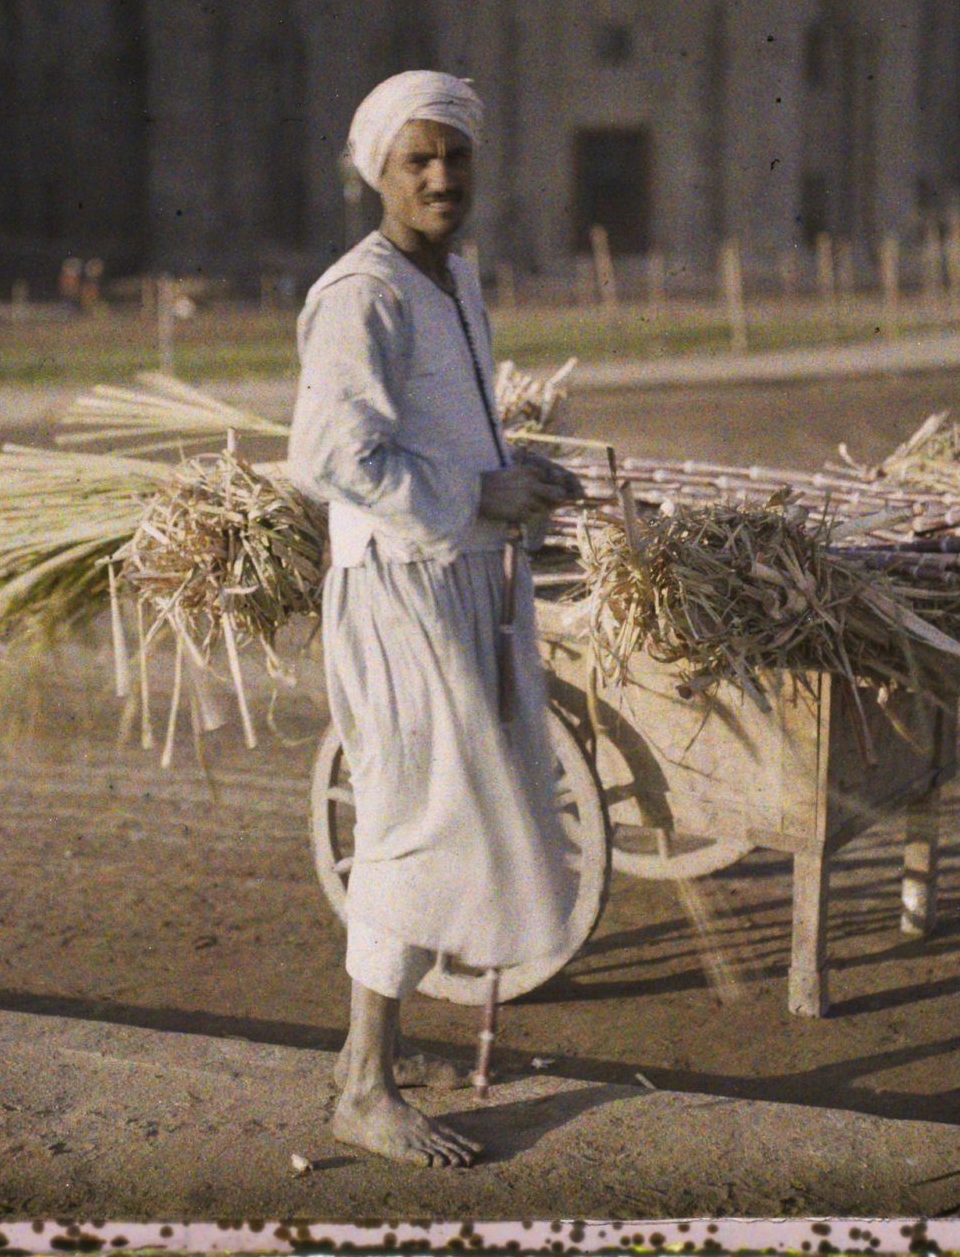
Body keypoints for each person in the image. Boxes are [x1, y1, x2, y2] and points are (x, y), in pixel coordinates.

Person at [287, 71, 585, 1169]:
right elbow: (328, 458)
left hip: (457, 575)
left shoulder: (451, 277)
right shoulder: (359, 294)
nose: (440, 176)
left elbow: (441, 429)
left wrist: (515, 467)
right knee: (414, 824)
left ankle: (366, 1064)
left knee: (454, 819)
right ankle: (364, 1089)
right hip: (395, 589)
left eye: (454, 156)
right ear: (379, 172)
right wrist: (476, 493)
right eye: (416, 159)